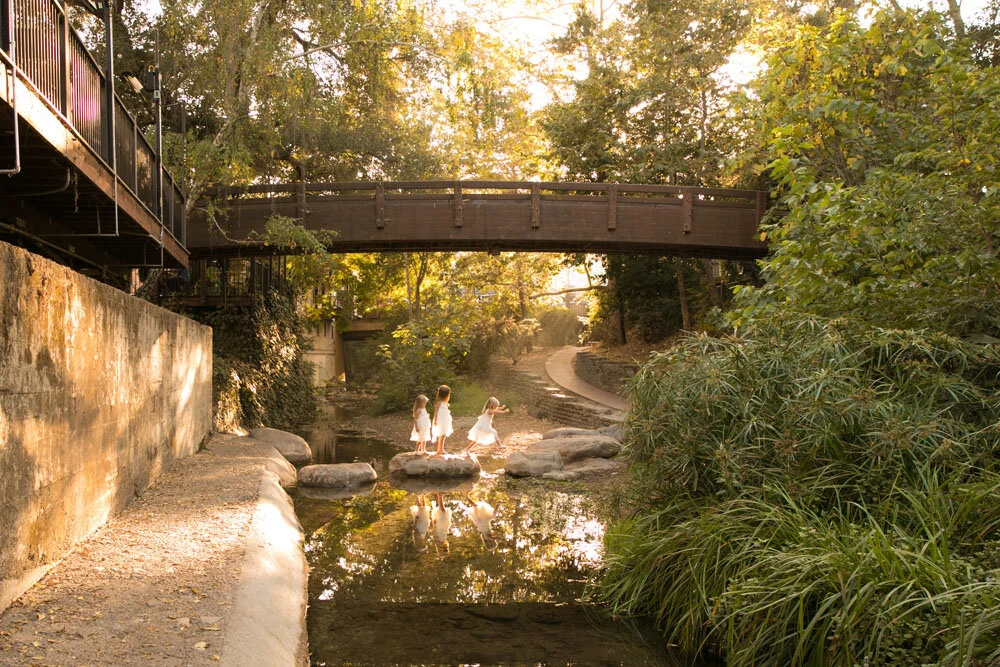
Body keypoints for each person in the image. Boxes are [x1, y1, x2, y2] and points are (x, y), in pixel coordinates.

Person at [431, 385, 453, 456]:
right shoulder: (439, 402)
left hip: (445, 419)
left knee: (444, 435)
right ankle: (439, 449)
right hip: (440, 420)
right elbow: (436, 412)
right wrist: (435, 420)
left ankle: (440, 449)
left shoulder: (445, 402)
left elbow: (446, 412)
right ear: (445, 395)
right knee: (442, 434)